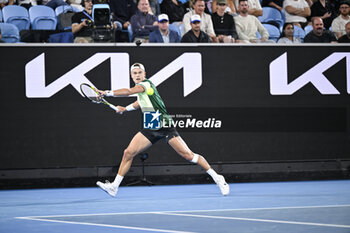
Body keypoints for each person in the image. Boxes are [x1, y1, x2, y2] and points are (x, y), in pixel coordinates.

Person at [96, 63, 230, 197]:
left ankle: (218, 178)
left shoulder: (146, 84)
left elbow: (129, 92)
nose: (137, 75)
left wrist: (107, 93)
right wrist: (125, 109)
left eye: (139, 72)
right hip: (151, 125)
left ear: (144, 74)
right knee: (128, 152)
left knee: (188, 155)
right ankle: (114, 186)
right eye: (134, 73)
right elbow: (139, 103)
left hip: (164, 124)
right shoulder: (142, 91)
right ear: (131, 75)